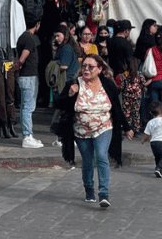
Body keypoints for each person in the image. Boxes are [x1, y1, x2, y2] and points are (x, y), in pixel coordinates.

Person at [55, 55, 128, 207]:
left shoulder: (107, 84)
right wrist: (70, 95)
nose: (86, 69)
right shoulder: (74, 84)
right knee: (88, 161)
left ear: (100, 69)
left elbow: (117, 108)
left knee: (101, 155)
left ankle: (103, 193)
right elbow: (59, 104)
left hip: (103, 127)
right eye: (84, 66)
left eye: (90, 67)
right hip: (81, 131)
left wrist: (127, 127)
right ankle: (89, 189)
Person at [14, 19, 44, 148]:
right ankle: (27, 136)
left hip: (25, 76)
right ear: (37, 24)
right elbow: (24, 55)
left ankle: (28, 135)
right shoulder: (29, 39)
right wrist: (19, 63)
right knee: (28, 107)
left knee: (24, 107)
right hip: (29, 76)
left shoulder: (22, 37)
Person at [142, 100, 162, 177]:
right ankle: (159, 168)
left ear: (151, 113)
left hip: (153, 142)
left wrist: (143, 140)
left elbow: (146, 134)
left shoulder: (150, 122)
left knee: (157, 157)